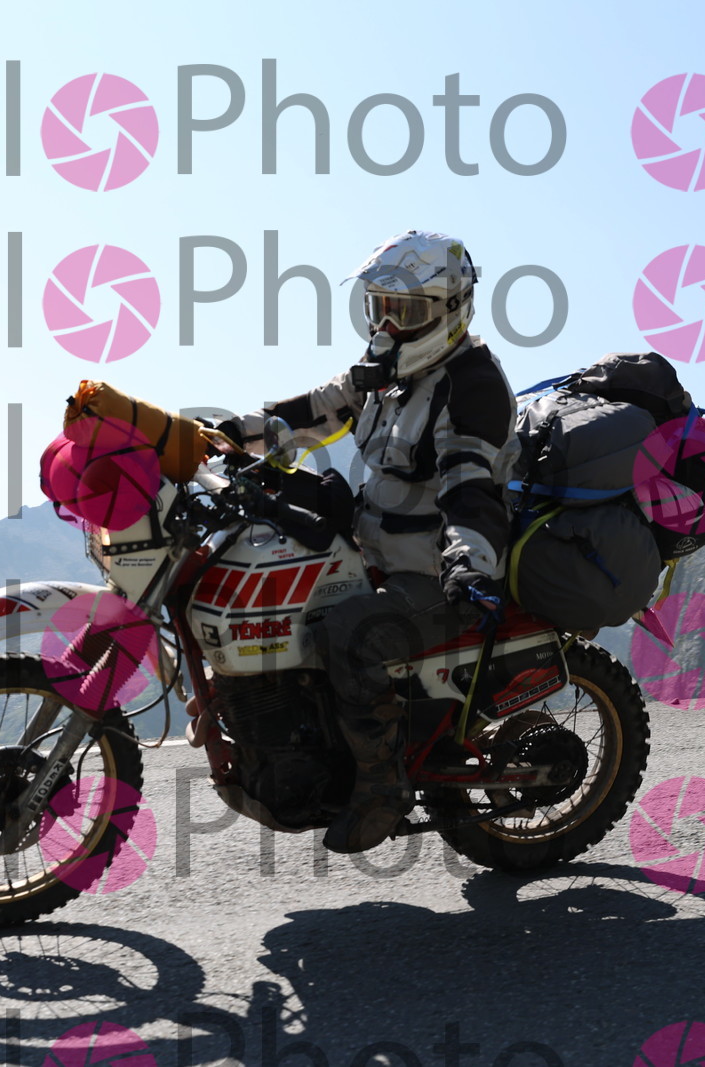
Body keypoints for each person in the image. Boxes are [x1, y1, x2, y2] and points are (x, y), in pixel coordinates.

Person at [207, 230, 516, 853]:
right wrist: (226, 433)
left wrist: (468, 563)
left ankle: (382, 787)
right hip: (374, 553)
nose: (388, 325)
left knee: (347, 634)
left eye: (406, 311)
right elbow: (315, 411)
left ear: (451, 309)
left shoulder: (472, 386)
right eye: (381, 307)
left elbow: (469, 489)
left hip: (436, 573)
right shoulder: (388, 371)